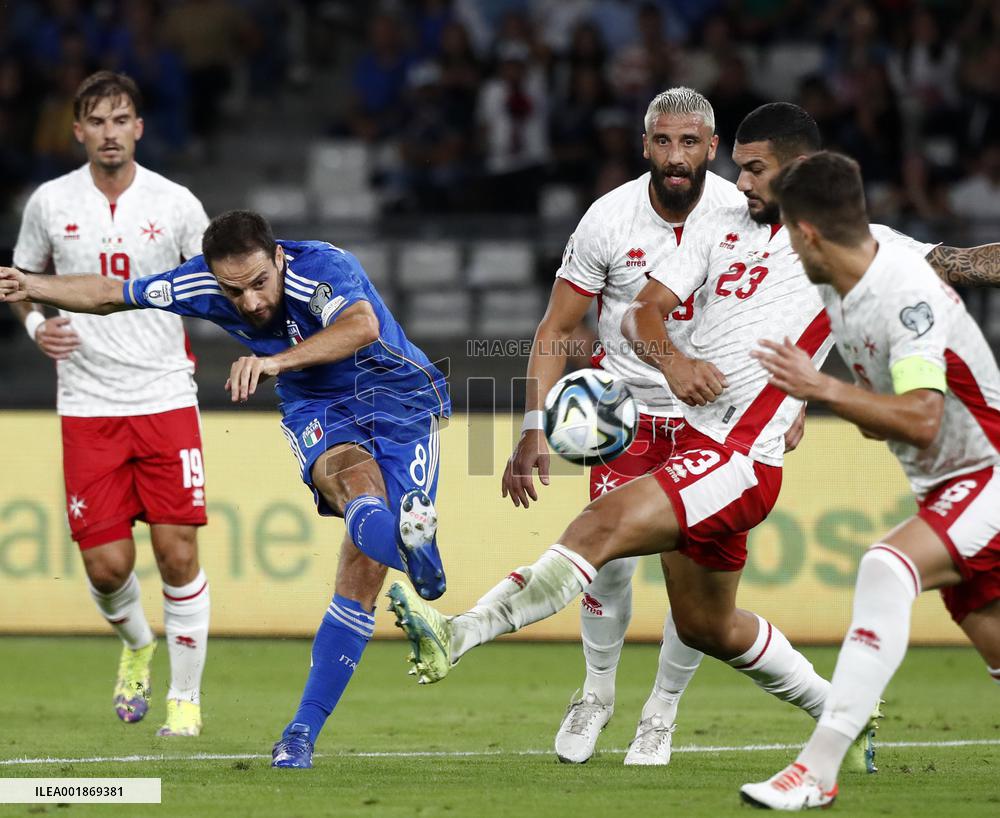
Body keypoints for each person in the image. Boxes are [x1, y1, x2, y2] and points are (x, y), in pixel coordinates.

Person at [384, 103, 1000, 766]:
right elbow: (640, 315)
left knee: (601, 526)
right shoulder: (720, 230)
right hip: (693, 440)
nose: (741, 183)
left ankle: (458, 633)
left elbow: (968, 263)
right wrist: (673, 362)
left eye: (756, 169)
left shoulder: (860, 246)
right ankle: (841, 712)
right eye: (738, 168)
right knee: (710, 626)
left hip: (739, 456)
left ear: (798, 171)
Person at [0, 210, 451, 770]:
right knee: (350, 489)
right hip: (320, 406)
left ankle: (416, 561)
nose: (252, 303)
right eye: (234, 291)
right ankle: (299, 735)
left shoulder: (323, 267)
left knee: (367, 565)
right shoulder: (202, 284)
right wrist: (32, 284)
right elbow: (112, 292)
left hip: (399, 398)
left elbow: (362, 326)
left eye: (261, 283)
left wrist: (273, 362)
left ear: (278, 258)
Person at [742, 152, 1000, 810]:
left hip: (988, 467)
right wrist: (827, 397)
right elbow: (882, 422)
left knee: (887, 568)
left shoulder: (903, 292)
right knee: (989, 629)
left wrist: (819, 388)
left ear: (807, 234)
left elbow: (919, 417)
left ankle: (816, 770)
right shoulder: (840, 278)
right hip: (942, 485)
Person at [502, 86, 747, 766]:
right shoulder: (608, 219)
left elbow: (787, 310)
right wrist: (534, 426)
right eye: (663, 141)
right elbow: (556, 328)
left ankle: (661, 713)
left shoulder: (743, 215)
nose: (675, 156)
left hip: (718, 413)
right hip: (624, 413)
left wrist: (790, 406)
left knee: (692, 576)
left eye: (689, 143)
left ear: (711, 147)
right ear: (644, 145)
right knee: (604, 561)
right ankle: (596, 694)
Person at [10, 70, 211, 738]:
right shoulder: (49, 202)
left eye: (120, 119)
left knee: (177, 551)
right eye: (96, 122)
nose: (109, 133)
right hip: (88, 402)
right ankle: (136, 643)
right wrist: (40, 328)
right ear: (78, 131)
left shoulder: (177, 202)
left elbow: (216, 280)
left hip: (163, 395)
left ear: (139, 128)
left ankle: (185, 702)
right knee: (107, 567)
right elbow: (20, 283)